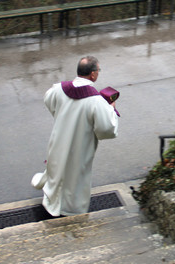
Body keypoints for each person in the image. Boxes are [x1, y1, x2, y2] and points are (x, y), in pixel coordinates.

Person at [31, 55, 119, 217]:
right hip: (80, 146)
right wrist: (111, 109)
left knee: (57, 171)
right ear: (93, 74)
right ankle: (70, 210)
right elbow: (106, 129)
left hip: (59, 140)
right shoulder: (96, 101)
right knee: (75, 178)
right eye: (98, 70)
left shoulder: (59, 89)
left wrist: (61, 116)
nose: (98, 73)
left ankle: (52, 202)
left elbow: (49, 100)